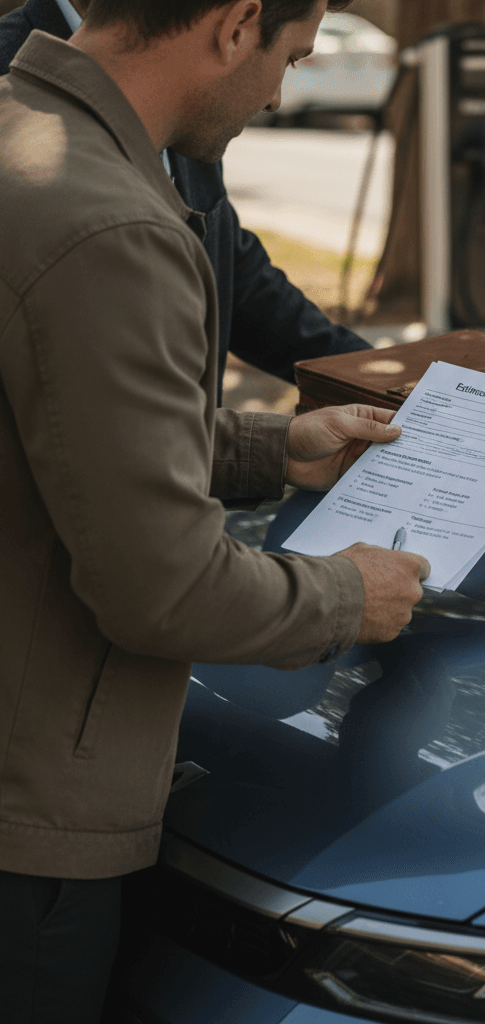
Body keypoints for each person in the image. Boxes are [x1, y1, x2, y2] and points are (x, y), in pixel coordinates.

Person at [0, 2, 430, 1021]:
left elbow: (45, 429)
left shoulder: (21, 135)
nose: (281, 91)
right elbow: (164, 589)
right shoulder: (110, 221)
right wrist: (345, 595)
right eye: (291, 55)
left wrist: (272, 445)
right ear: (237, 25)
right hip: (30, 829)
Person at [0, 0, 373, 402]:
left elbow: (231, 270)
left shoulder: (192, 92)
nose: (274, 101)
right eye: (291, 61)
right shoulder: (100, 214)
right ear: (237, 28)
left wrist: (380, 381)